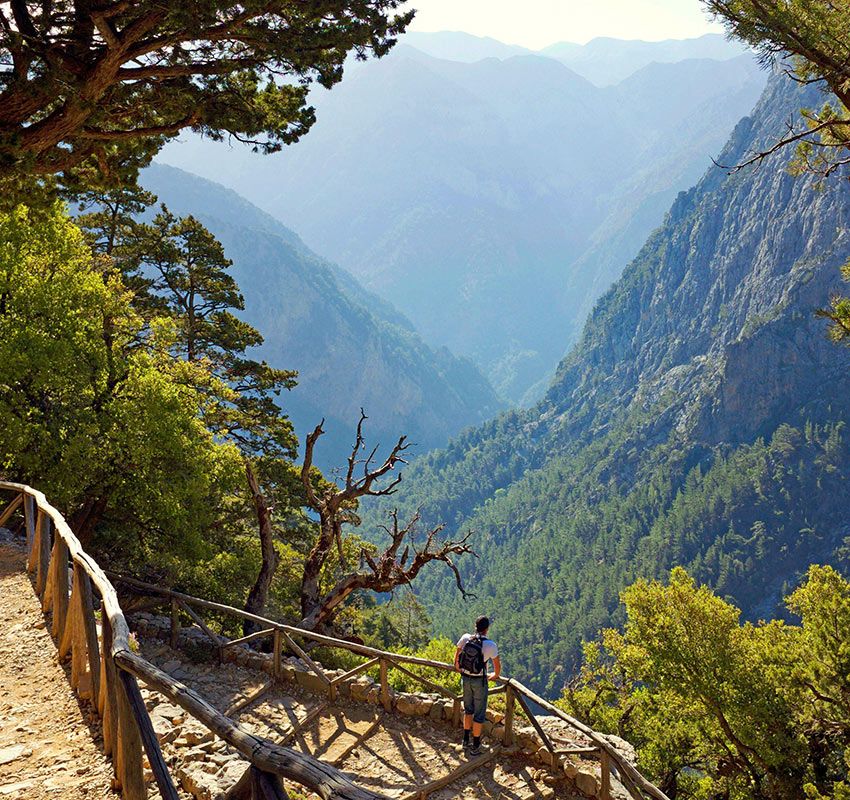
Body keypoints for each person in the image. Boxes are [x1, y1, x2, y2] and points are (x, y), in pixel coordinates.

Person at [454, 615, 501, 755]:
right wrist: (494, 676)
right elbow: (497, 667)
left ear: (475, 626)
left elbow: (456, 660)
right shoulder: (490, 645)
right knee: (479, 714)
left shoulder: (466, 638)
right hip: (479, 681)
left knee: (468, 710)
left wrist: (460, 669)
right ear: (487, 629)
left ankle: (464, 741)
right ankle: (475, 745)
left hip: (466, 679)